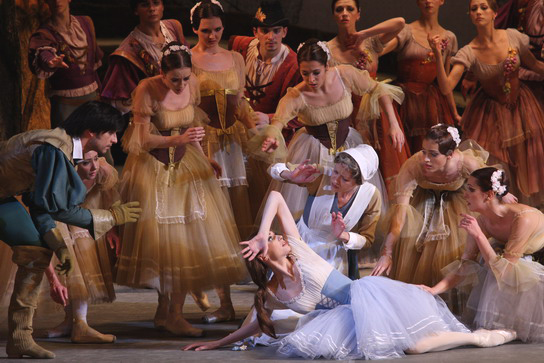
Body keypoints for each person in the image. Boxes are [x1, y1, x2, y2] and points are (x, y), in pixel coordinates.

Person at [183, 191, 517, 360]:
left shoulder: (300, 250)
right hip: (345, 319)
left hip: (367, 297)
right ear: (263, 257)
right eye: (272, 238)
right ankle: (478, 338)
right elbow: (254, 325)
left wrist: (260, 232)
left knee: (414, 346)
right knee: (408, 348)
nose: (279, 236)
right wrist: (216, 343)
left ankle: (482, 337)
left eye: (275, 234)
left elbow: (275, 196)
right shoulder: (272, 291)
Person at [115, 43, 247, 336]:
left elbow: (193, 128)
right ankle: (169, 313)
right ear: (161, 73)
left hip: (188, 167)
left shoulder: (192, 86)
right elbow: (141, 140)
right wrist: (178, 140)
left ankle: (169, 313)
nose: (182, 84)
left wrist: (205, 156)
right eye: (175, 79)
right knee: (168, 246)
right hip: (155, 170)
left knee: (189, 244)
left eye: (186, 78)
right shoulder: (146, 90)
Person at [0, 101, 142, 358]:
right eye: (110, 132)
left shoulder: (64, 150)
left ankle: (20, 337)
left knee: (35, 253)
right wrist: (110, 217)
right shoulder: (54, 148)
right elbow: (55, 207)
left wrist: (57, 246)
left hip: (3, 196)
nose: (114, 139)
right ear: (91, 132)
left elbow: (40, 205)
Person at [249, 39, 403, 221]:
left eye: (316, 73)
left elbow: (379, 89)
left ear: (327, 66)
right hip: (314, 149)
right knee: (315, 208)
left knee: (351, 203)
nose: (311, 79)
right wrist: (272, 137)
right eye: (305, 73)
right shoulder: (296, 96)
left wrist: (394, 124)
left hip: (348, 145)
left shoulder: (344, 75)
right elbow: (277, 123)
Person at [370, 124, 516, 314]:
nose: (426, 159)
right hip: (423, 205)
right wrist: (387, 252)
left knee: (455, 251)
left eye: (433, 154)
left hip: (458, 204)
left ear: (449, 155)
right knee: (414, 249)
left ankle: (452, 306)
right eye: (423, 152)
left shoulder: (466, 163)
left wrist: (503, 195)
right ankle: (420, 307)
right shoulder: (414, 165)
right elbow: (400, 215)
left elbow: (489, 179)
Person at [430, 0, 544, 207]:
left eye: (484, 7)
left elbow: (534, 64)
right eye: (474, 9)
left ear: (494, 13)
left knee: (525, 159)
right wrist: (438, 55)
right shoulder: (469, 51)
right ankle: (499, 211)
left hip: (520, 107)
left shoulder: (512, 37)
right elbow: (446, 87)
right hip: (490, 112)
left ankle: (523, 211)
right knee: (497, 163)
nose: (479, 12)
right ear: (470, 16)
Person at [423, 167, 544, 342]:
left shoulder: (523, 218)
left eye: (471, 190)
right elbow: (465, 265)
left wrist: (479, 235)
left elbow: (506, 274)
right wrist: (434, 290)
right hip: (512, 263)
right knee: (487, 260)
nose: (465, 195)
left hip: (537, 262)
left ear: (488, 195)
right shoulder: (483, 221)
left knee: (498, 264)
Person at [228, 0, 302, 218]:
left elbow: (300, 111)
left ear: (285, 32)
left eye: (276, 31)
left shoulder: (294, 65)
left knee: (263, 188)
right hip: (238, 128)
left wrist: (269, 118)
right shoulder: (239, 46)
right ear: (255, 32)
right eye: (265, 30)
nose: (271, 37)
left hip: (269, 137)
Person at [327, 0, 410, 193]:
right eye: (339, 10)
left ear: (358, 13)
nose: (344, 13)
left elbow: (400, 22)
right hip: (347, 112)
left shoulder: (371, 42)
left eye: (350, 9)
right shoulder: (328, 49)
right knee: (353, 168)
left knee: (385, 164)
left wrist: (363, 34)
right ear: (334, 16)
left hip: (376, 110)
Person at [190, 0, 256, 242]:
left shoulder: (235, 58)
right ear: (195, 28)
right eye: (206, 30)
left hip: (233, 136)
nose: (212, 35)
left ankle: (241, 252)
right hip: (204, 136)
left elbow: (239, 101)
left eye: (217, 29)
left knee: (237, 191)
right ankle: (216, 247)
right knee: (210, 193)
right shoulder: (187, 58)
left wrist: (254, 131)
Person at [270, 144, 382, 279]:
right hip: (302, 245)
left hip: (335, 257)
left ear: (359, 182)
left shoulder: (371, 195)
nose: (335, 179)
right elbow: (274, 168)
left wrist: (344, 235)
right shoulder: (322, 174)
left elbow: (367, 239)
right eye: (336, 172)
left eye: (345, 179)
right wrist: (291, 175)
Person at [44, 151, 119, 344]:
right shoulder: (58, 176)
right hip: (57, 218)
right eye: (86, 162)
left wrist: (111, 229)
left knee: (82, 257)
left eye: (95, 159)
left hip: (84, 217)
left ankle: (79, 322)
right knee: (69, 264)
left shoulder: (101, 170)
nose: (94, 166)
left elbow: (109, 198)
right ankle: (73, 321)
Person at [381, 0, 460, 152]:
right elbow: (379, 50)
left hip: (431, 103)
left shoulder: (449, 37)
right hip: (403, 99)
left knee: (431, 148)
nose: (428, 1)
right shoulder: (406, 30)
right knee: (403, 147)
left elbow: (446, 81)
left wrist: (455, 113)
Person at [101, 0, 186, 114]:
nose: (152, 8)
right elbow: (119, 102)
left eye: (156, 3)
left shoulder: (173, 27)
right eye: (145, 5)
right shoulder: (128, 51)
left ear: (162, 6)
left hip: (182, 104)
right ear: (136, 10)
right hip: (155, 114)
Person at [28, 0, 103, 126]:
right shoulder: (45, 33)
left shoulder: (85, 23)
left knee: (96, 140)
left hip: (93, 98)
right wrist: (50, 62)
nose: (57, 1)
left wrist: (101, 94)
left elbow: (93, 67)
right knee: (67, 141)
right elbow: (44, 53)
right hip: (65, 104)